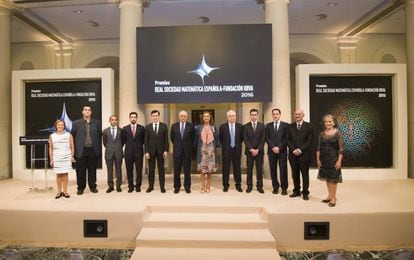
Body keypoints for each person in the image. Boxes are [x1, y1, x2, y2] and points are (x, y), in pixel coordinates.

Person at [71, 105, 102, 195]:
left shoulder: (97, 123)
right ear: (82, 112)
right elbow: (72, 136)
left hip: (93, 149)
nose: (87, 111)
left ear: (91, 112)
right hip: (81, 150)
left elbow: (99, 135)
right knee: (80, 170)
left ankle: (93, 187)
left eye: (89, 110)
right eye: (85, 110)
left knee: (92, 169)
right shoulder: (76, 123)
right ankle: (80, 188)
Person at [316, 114, 344, 207]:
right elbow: (318, 148)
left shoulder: (338, 133)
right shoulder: (321, 134)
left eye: (330, 121)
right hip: (324, 159)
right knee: (327, 178)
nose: (328, 123)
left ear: (334, 122)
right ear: (324, 123)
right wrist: (318, 160)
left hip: (334, 160)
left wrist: (339, 161)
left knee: (333, 179)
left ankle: (333, 198)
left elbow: (341, 149)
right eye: (326, 122)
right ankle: (329, 196)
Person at [287, 109, 313, 200]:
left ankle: (305, 192)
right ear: (294, 115)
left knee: (305, 174)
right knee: (295, 174)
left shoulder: (309, 126)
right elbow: (287, 140)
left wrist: (300, 149)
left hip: (304, 155)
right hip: (293, 155)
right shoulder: (290, 126)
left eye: (299, 114)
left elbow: (309, 140)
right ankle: (296, 191)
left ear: (303, 115)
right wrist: (294, 149)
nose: (297, 115)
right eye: (296, 114)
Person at [48, 119, 74, 199]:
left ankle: (65, 191)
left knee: (65, 174)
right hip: (56, 157)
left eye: (62, 125)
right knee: (58, 175)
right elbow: (50, 148)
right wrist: (51, 159)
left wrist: (72, 156)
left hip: (66, 156)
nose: (60, 126)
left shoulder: (69, 135)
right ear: (56, 126)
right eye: (58, 124)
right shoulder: (52, 136)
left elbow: (72, 146)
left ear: (64, 126)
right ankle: (59, 192)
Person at [219, 110, 244, 192]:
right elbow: (221, 139)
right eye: (230, 116)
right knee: (225, 169)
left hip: (236, 150)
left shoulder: (240, 127)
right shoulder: (222, 127)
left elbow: (241, 139)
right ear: (227, 117)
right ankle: (225, 185)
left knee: (237, 169)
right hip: (226, 150)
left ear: (235, 117)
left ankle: (238, 185)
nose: (232, 117)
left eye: (233, 115)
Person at [265, 108, 289, 195]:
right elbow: (267, 138)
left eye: (277, 114)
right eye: (274, 114)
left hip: (282, 151)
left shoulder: (286, 125)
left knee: (283, 170)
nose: (275, 115)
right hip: (271, 151)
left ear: (280, 114)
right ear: (272, 115)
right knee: (273, 170)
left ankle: (284, 188)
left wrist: (279, 147)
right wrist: (273, 147)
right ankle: (275, 187)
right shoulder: (268, 125)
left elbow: (286, 138)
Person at [170, 110, 195, 193]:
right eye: (181, 116)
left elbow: (192, 138)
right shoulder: (174, 126)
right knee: (176, 171)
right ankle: (177, 187)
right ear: (179, 117)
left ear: (187, 117)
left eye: (184, 116)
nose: (183, 117)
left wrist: (187, 146)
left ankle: (187, 187)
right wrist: (178, 145)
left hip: (187, 152)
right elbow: (172, 138)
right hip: (177, 152)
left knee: (187, 171)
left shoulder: (190, 126)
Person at [145, 110, 169, 193]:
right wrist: (146, 152)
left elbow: (166, 140)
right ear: (151, 117)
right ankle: (150, 187)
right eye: (153, 115)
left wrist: (166, 150)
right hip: (150, 152)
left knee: (161, 170)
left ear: (159, 116)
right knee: (151, 170)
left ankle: (162, 187)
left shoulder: (164, 126)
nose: (155, 117)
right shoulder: (148, 127)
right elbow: (146, 141)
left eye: (156, 115)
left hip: (161, 151)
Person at [243, 108, 265, 193]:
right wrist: (251, 149)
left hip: (259, 152)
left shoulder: (262, 126)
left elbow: (263, 139)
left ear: (257, 115)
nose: (254, 116)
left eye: (255, 115)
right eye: (252, 115)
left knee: (259, 170)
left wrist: (258, 149)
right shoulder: (245, 126)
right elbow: (245, 139)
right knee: (249, 170)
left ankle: (260, 186)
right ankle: (249, 186)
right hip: (249, 152)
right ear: (250, 115)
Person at [195, 111, 218, 193]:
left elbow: (216, 139)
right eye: (204, 116)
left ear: (210, 118)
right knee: (202, 170)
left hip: (211, 151)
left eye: (208, 116)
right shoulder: (199, 127)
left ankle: (208, 186)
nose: (206, 117)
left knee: (209, 170)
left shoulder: (213, 127)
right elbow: (196, 140)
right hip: (202, 151)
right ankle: (202, 187)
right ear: (202, 118)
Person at [122, 112, 145, 193]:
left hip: (139, 152)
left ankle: (138, 186)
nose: (133, 118)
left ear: (137, 118)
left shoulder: (142, 128)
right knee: (129, 170)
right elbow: (123, 141)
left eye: (134, 117)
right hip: (128, 152)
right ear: (129, 118)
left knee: (139, 170)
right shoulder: (125, 128)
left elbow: (143, 140)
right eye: (131, 117)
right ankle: (130, 186)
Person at [102, 115, 123, 193]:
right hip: (109, 153)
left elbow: (123, 141)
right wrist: (110, 147)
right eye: (112, 120)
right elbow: (104, 142)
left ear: (117, 121)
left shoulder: (121, 130)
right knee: (109, 170)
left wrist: (118, 147)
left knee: (118, 170)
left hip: (118, 152)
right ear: (110, 121)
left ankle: (118, 186)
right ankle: (110, 186)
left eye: (115, 120)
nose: (113, 121)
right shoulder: (105, 131)